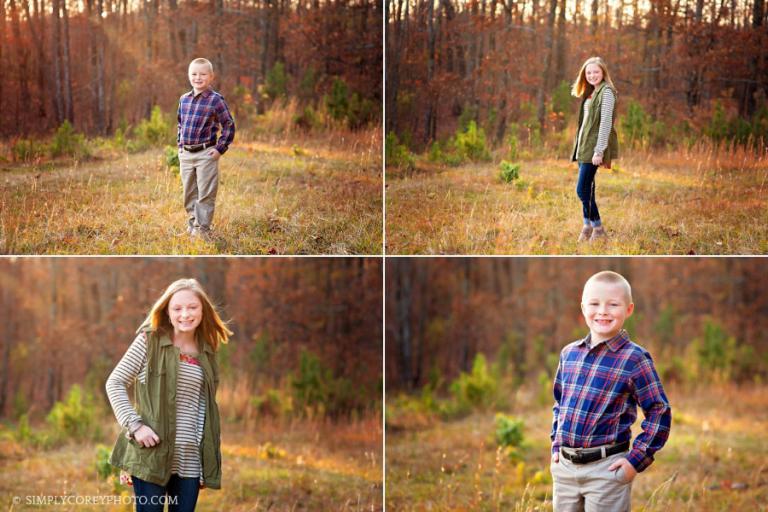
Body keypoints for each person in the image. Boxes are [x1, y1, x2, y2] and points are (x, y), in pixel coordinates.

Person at [106, 278, 232, 512]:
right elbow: (114, 382)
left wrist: (205, 463)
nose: (185, 314)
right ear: (167, 311)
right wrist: (135, 426)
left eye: (192, 307)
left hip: (190, 460)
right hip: (152, 454)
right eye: (178, 308)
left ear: (203, 310)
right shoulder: (149, 341)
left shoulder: (208, 351)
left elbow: (204, 409)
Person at [550, 271, 671, 512]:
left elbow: (659, 412)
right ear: (583, 307)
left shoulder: (634, 358)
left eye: (613, 304)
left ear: (628, 309)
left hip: (606, 469)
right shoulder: (569, 354)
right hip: (564, 468)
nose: (603, 311)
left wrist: (634, 462)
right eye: (594, 304)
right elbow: (559, 403)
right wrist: (555, 445)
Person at [177, 58, 236, 241]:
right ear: (189, 76)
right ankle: (193, 224)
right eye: (194, 74)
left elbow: (228, 124)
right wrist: (180, 146)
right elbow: (180, 124)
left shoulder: (215, 100)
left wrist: (220, 148)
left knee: (205, 192)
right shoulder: (184, 99)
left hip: (206, 153)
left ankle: (202, 229)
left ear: (211, 77)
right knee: (189, 192)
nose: (198, 77)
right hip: (186, 154)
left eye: (203, 74)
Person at [570, 57, 619, 242]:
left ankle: (598, 229)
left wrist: (599, 151)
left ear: (603, 72)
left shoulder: (606, 92)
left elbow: (606, 123)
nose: (592, 75)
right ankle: (587, 225)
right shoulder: (592, 92)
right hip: (583, 147)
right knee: (588, 189)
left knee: (582, 190)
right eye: (588, 72)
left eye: (596, 72)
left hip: (593, 149)